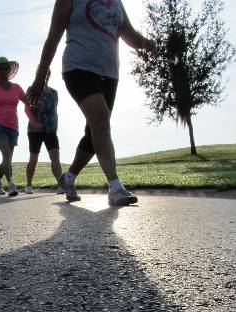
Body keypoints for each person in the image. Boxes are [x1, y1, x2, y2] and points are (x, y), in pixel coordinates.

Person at [28, 0, 156, 206]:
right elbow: (53, 37)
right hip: (78, 68)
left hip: (110, 74)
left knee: (94, 132)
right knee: (100, 119)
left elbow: (128, 33)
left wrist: (146, 43)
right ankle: (115, 188)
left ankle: (68, 178)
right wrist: (40, 78)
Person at [0, 56, 42, 197]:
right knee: (6, 155)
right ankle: (11, 184)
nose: (3, 71)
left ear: (9, 70)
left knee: (8, 159)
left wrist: (35, 107)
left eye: (6, 68)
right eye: (0, 69)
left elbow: (27, 102)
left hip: (13, 126)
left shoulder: (16, 88)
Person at [25, 69, 64, 194]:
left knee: (55, 156)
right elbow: (27, 109)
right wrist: (36, 123)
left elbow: (54, 112)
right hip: (34, 130)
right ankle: (28, 185)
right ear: (37, 74)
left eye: (47, 74)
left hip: (50, 130)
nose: (45, 76)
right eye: (42, 73)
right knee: (33, 158)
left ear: (49, 75)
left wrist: (55, 127)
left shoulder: (54, 93)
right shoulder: (31, 90)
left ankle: (61, 185)